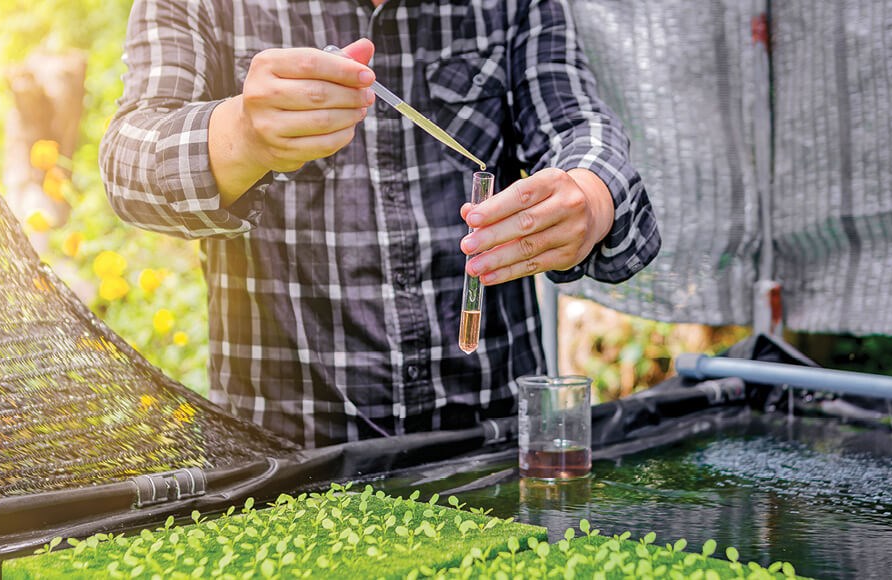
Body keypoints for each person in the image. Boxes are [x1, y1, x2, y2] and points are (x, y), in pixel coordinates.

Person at [100, 0, 660, 448]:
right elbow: (128, 165)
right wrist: (243, 136)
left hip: (492, 442)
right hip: (292, 460)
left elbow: (580, 124)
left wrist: (586, 195)